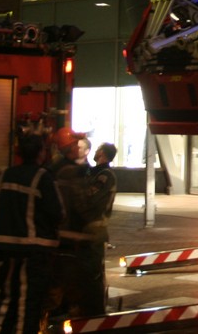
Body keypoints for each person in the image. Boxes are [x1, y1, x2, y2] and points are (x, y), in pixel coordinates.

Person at [0, 133, 64, 334]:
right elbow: (57, 213)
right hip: (34, 252)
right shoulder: (42, 177)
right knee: (27, 306)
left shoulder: (3, 175)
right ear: (41, 153)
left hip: (6, 249)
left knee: (7, 300)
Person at [45, 127, 91, 319]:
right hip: (70, 233)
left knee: (56, 275)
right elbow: (81, 204)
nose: (78, 148)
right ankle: (61, 314)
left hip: (55, 232)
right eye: (75, 145)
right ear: (70, 148)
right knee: (69, 276)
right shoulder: (72, 172)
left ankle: (50, 313)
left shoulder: (55, 168)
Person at [78, 142, 118, 316]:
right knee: (85, 270)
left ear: (102, 153)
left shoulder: (105, 175)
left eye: (97, 150)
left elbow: (91, 197)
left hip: (96, 228)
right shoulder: (96, 172)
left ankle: (95, 312)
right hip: (89, 228)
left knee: (93, 272)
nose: (94, 152)